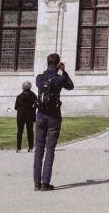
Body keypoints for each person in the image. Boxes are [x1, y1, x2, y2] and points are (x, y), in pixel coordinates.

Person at [33, 54, 74, 191]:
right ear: (57, 64)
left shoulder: (39, 78)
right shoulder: (60, 79)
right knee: (50, 150)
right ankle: (45, 183)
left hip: (40, 116)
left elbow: (40, 86)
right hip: (54, 117)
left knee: (39, 150)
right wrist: (64, 71)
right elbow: (70, 86)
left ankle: (37, 182)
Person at [14, 80, 37, 152]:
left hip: (21, 115)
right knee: (30, 131)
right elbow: (36, 105)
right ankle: (30, 147)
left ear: (23, 88)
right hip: (30, 115)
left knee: (19, 131)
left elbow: (16, 107)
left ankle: (18, 148)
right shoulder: (34, 96)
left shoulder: (19, 97)